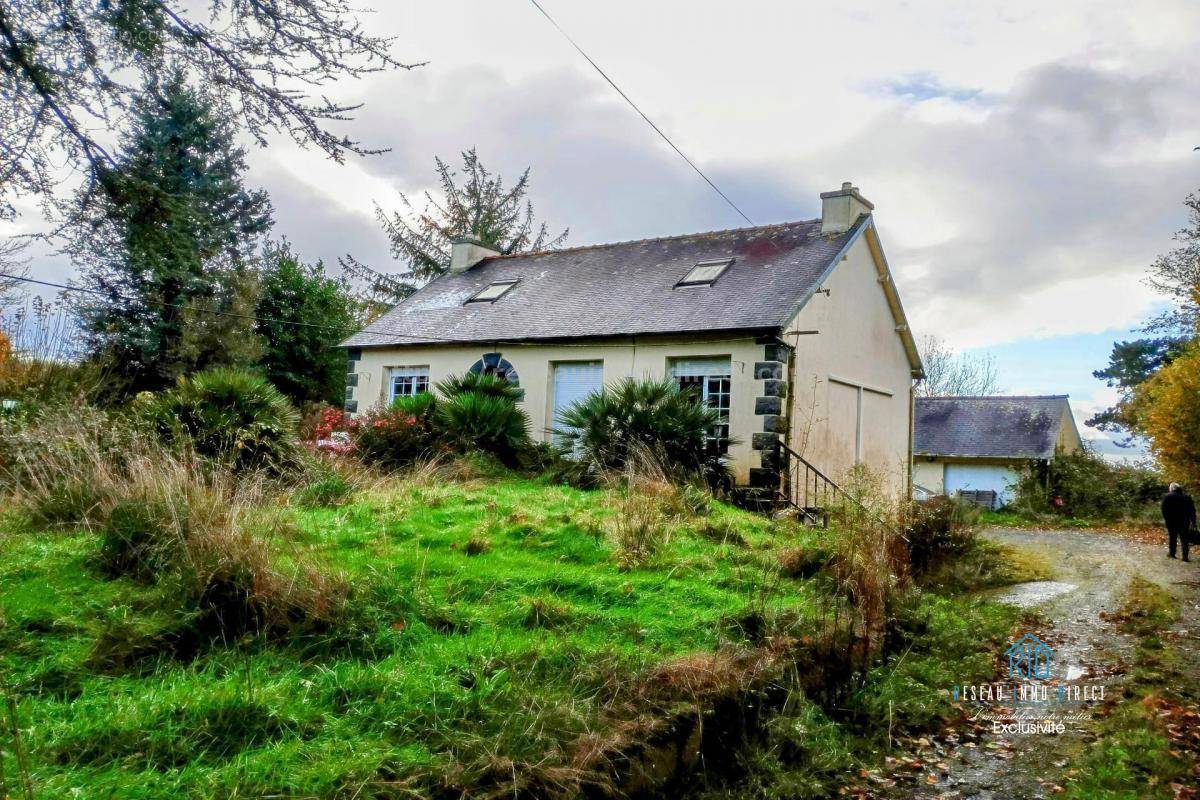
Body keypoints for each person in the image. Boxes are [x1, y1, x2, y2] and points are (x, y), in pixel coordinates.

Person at [1161, 482, 1197, 562]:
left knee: (1172, 537)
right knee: (1184, 539)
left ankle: (1172, 553)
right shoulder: (1187, 497)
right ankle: (1185, 557)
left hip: (1171, 521)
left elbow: (1164, 509)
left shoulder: (1167, 497)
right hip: (1184, 521)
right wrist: (1193, 521)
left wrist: (1166, 519)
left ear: (1172, 488)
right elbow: (1192, 510)